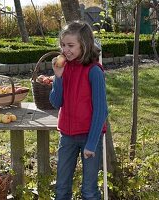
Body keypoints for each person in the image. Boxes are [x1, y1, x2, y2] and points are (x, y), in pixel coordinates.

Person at [49, 20, 108, 200]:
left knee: (89, 192)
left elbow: (101, 111)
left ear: (84, 45)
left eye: (71, 45)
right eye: (63, 45)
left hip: (90, 137)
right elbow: (55, 101)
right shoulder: (63, 68)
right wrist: (57, 78)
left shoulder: (94, 71)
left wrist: (91, 143)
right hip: (67, 136)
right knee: (61, 189)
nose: (65, 50)